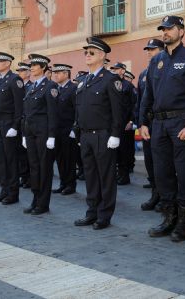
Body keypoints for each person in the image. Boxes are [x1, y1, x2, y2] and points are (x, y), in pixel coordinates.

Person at [140, 15, 185, 242]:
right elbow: (147, 94)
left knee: (184, 173)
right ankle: (168, 219)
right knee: (162, 173)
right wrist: (144, 122)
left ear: (182, 31)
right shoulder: (156, 61)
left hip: (181, 124)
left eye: (169, 29)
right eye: (163, 29)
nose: (165, 32)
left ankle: (183, 224)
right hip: (158, 125)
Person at [73, 37, 123, 230]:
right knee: (91, 176)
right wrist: (78, 133)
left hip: (103, 135)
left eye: (91, 52)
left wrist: (116, 134)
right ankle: (91, 211)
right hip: (86, 136)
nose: (87, 55)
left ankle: (104, 215)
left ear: (102, 56)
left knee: (106, 177)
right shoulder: (84, 81)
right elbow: (79, 109)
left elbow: (118, 110)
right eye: (85, 52)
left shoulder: (111, 80)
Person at [21, 54, 58, 215]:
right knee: (34, 167)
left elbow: (53, 113)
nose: (32, 67)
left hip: (43, 133)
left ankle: (43, 203)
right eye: (31, 65)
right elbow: (26, 112)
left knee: (44, 168)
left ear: (43, 67)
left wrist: (51, 135)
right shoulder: (30, 87)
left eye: (35, 65)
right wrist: (24, 133)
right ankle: (35, 199)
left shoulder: (50, 87)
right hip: (30, 133)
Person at [0, 51, 24, 205]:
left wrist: (15, 126)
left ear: (7, 63)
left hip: (9, 125)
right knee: (1, 160)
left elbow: (19, 105)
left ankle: (13, 193)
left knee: (11, 160)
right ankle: (4, 190)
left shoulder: (14, 79)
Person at [137, 39, 164, 211]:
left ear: (162, 51)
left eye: (153, 49)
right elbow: (141, 101)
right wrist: (140, 122)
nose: (149, 52)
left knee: (163, 162)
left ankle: (166, 197)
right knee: (150, 161)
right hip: (148, 124)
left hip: (162, 121)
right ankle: (155, 193)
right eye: (147, 50)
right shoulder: (143, 74)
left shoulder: (166, 70)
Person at [110, 62, 137, 186]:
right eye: (113, 69)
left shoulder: (128, 86)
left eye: (117, 69)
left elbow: (134, 105)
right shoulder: (112, 84)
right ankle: (119, 174)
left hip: (125, 123)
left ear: (123, 71)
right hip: (114, 123)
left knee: (124, 151)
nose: (114, 71)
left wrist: (131, 121)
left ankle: (125, 176)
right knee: (116, 152)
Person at [52, 63, 77, 195]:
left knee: (69, 158)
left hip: (68, 130)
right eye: (54, 72)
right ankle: (63, 183)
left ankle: (70, 184)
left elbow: (77, 110)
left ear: (66, 74)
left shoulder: (73, 88)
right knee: (60, 158)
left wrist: (75, 127)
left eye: (58, 72)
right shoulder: (56, 89)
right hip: (57, 130)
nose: (55, 75)